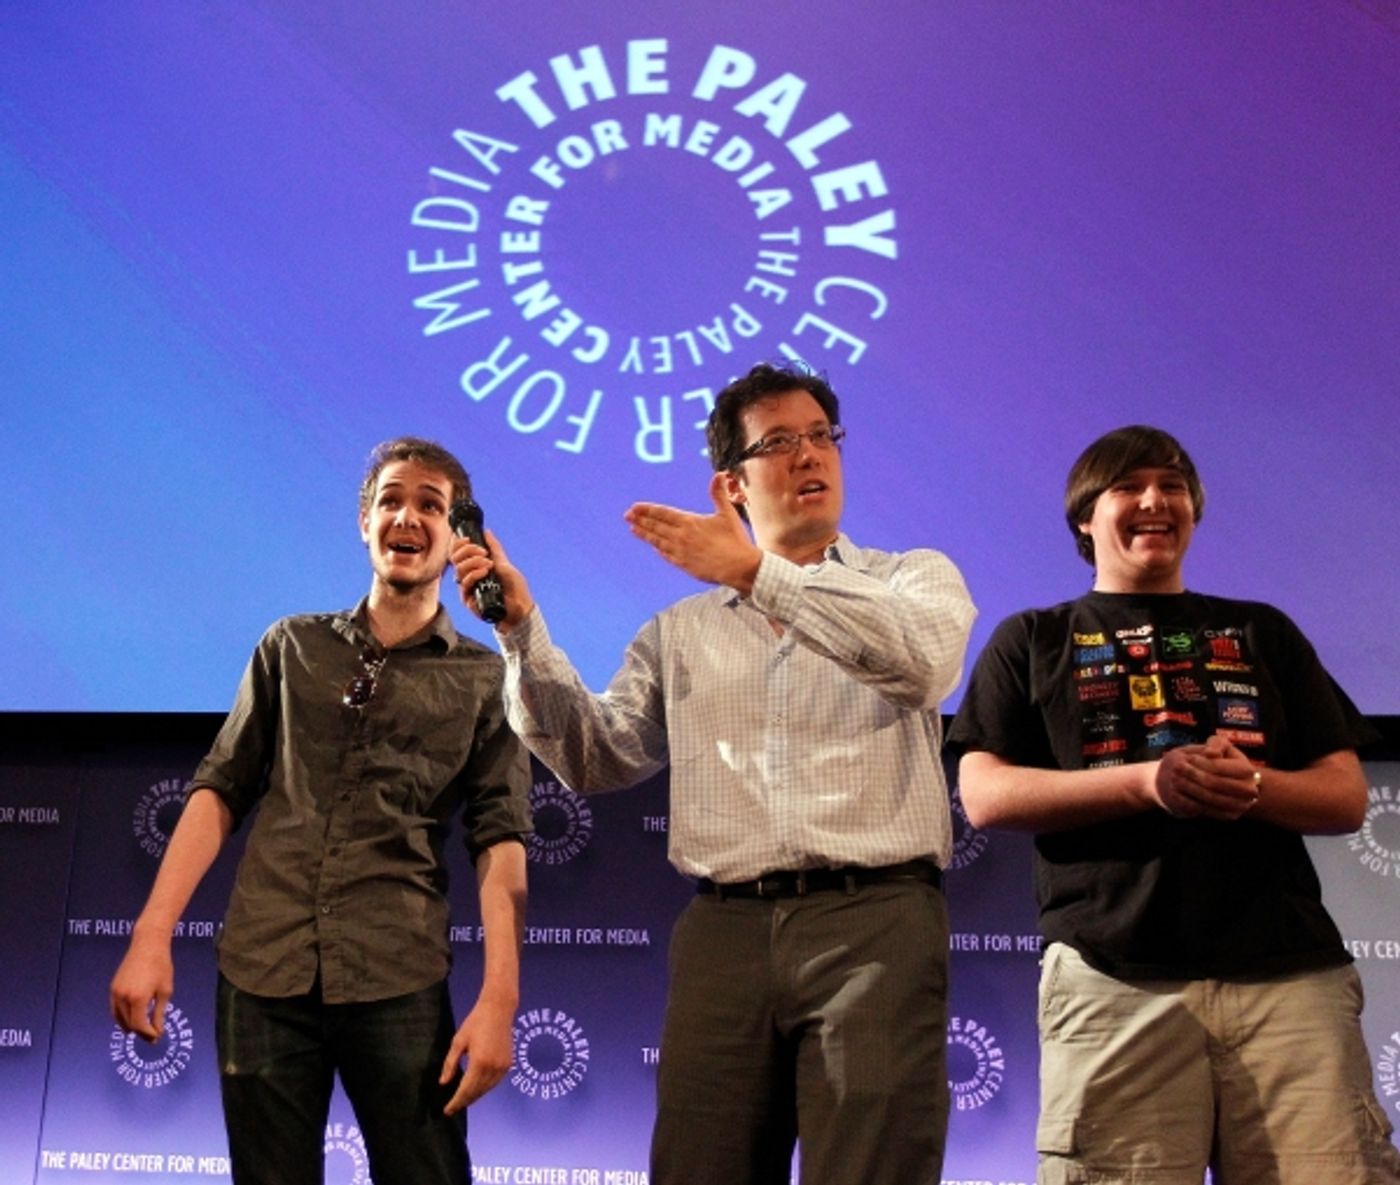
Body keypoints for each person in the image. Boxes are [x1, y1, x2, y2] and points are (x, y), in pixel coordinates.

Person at [450, 361, 976, 1185]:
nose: (810, 457)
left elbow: (923, 665)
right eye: (780, 444)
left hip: (875, 923)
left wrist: (754, 572)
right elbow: (595, 754)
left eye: (821, 437)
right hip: (725, 932)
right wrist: (520, 632)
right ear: (730, 484)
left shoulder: (913, 578)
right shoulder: (680, 631)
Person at [947, 424, 1400, 1184]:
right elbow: (986, 793)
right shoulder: (1033, 638)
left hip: (1289, 982)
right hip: (1112, 981)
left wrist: (1248, 786)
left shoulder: (1263, 631)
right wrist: (1147, 781)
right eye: (1128, 486)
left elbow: (1346, 794)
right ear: (1085, 520)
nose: (1155, 499)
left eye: (1174, 485)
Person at [110, 437, 533, 1185]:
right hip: (261, 969)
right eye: (391, 500)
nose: (408, 515)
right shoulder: (290, 645)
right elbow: (219, 790)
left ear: (458, 533)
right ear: (364, 523)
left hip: (397, 975)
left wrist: (501, 996)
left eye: (431, 504)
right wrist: (151, 934)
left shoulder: (484, 678)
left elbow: (501, 841)